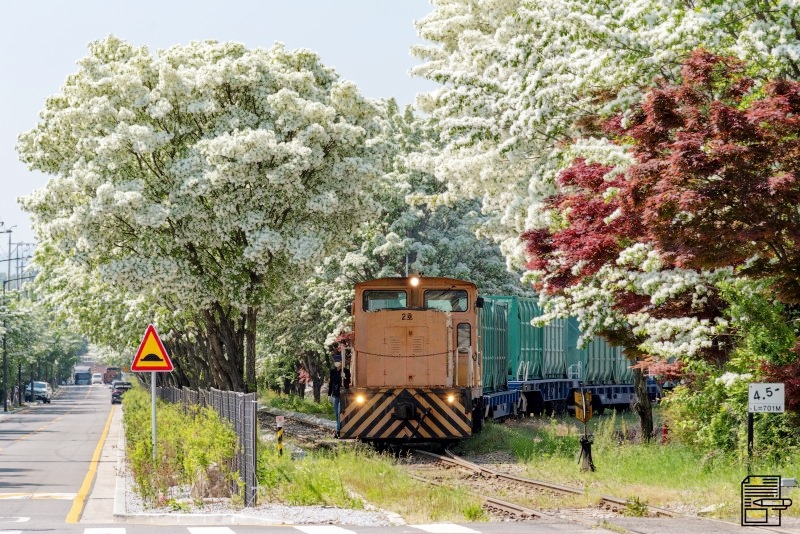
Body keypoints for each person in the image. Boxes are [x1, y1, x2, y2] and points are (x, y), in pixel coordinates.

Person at [328, 348, 350, 438]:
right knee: (336, 414)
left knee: (339, 412)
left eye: (338, 361)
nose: (337, 362)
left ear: (341, 362)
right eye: (335, 361)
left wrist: (344, 377)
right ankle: (338, 429)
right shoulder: (332, 371)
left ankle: (339, 431)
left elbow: (348, 382)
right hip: (335, 394)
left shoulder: (345, 371)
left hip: (342, 395)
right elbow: (331, 383)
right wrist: (329, 394)